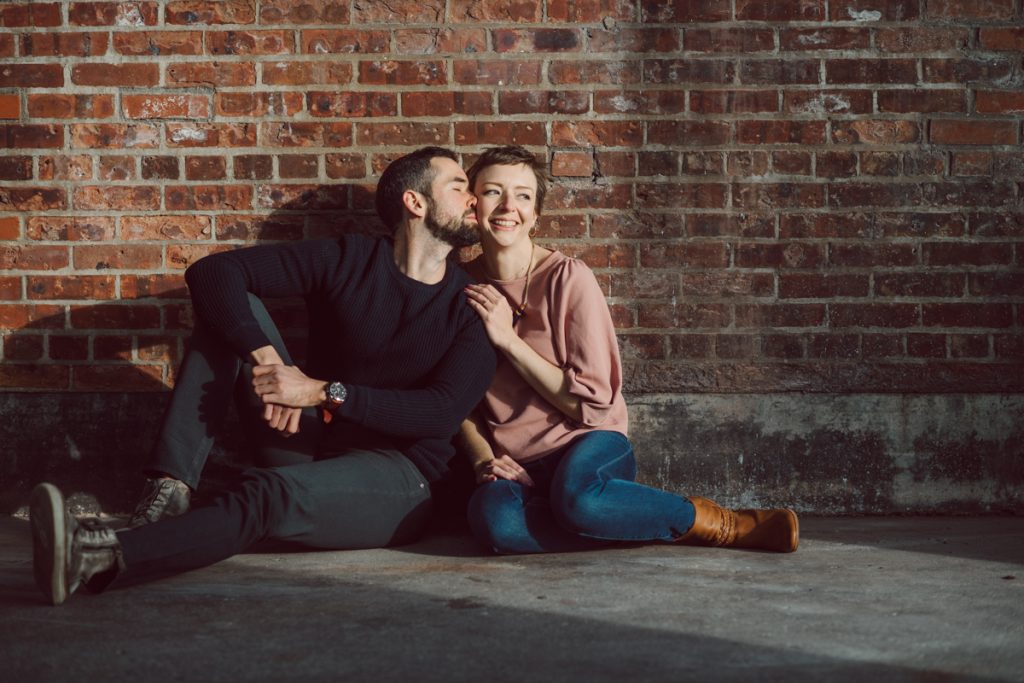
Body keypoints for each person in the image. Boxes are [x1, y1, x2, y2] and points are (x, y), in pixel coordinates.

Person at [30, 146, 497, 605]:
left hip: (398, 478)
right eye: (460, 187)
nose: (475, 199)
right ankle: (169, 492)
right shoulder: (350, 259)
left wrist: (319, 392)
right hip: (308, 440)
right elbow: (214, 272)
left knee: (267, 494)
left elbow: (439, 414)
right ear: (415, 203)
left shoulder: (473, 307)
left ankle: (98, 557)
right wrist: (271, 362)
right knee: (230, 316)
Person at [459, 145, 799, 554]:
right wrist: (483, 461)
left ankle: (719, 524)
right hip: (516, 462)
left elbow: (592, 403)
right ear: (472, 205)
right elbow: (456, 400)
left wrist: (508, 340)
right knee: (494, 522)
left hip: (588, 444)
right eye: (494, 192)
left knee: (580, 498)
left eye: (524, 195)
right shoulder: (459, 287)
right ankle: (611, 518)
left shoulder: (569, 278)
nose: (508, 206)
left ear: (536, 216)